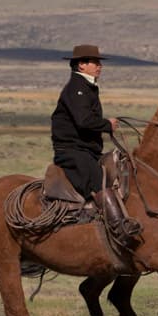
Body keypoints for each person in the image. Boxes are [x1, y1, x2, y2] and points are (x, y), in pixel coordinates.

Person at [51, 44, 140, 249]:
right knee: (99, 182)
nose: (100, 66)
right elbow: (83, 120)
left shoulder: (86, 86)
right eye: (95, 62)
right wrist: (106, 124)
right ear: (82, 65)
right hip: (72, 151)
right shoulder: (77, 88)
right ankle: (119, 229)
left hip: (84, 149)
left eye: (99, 62)